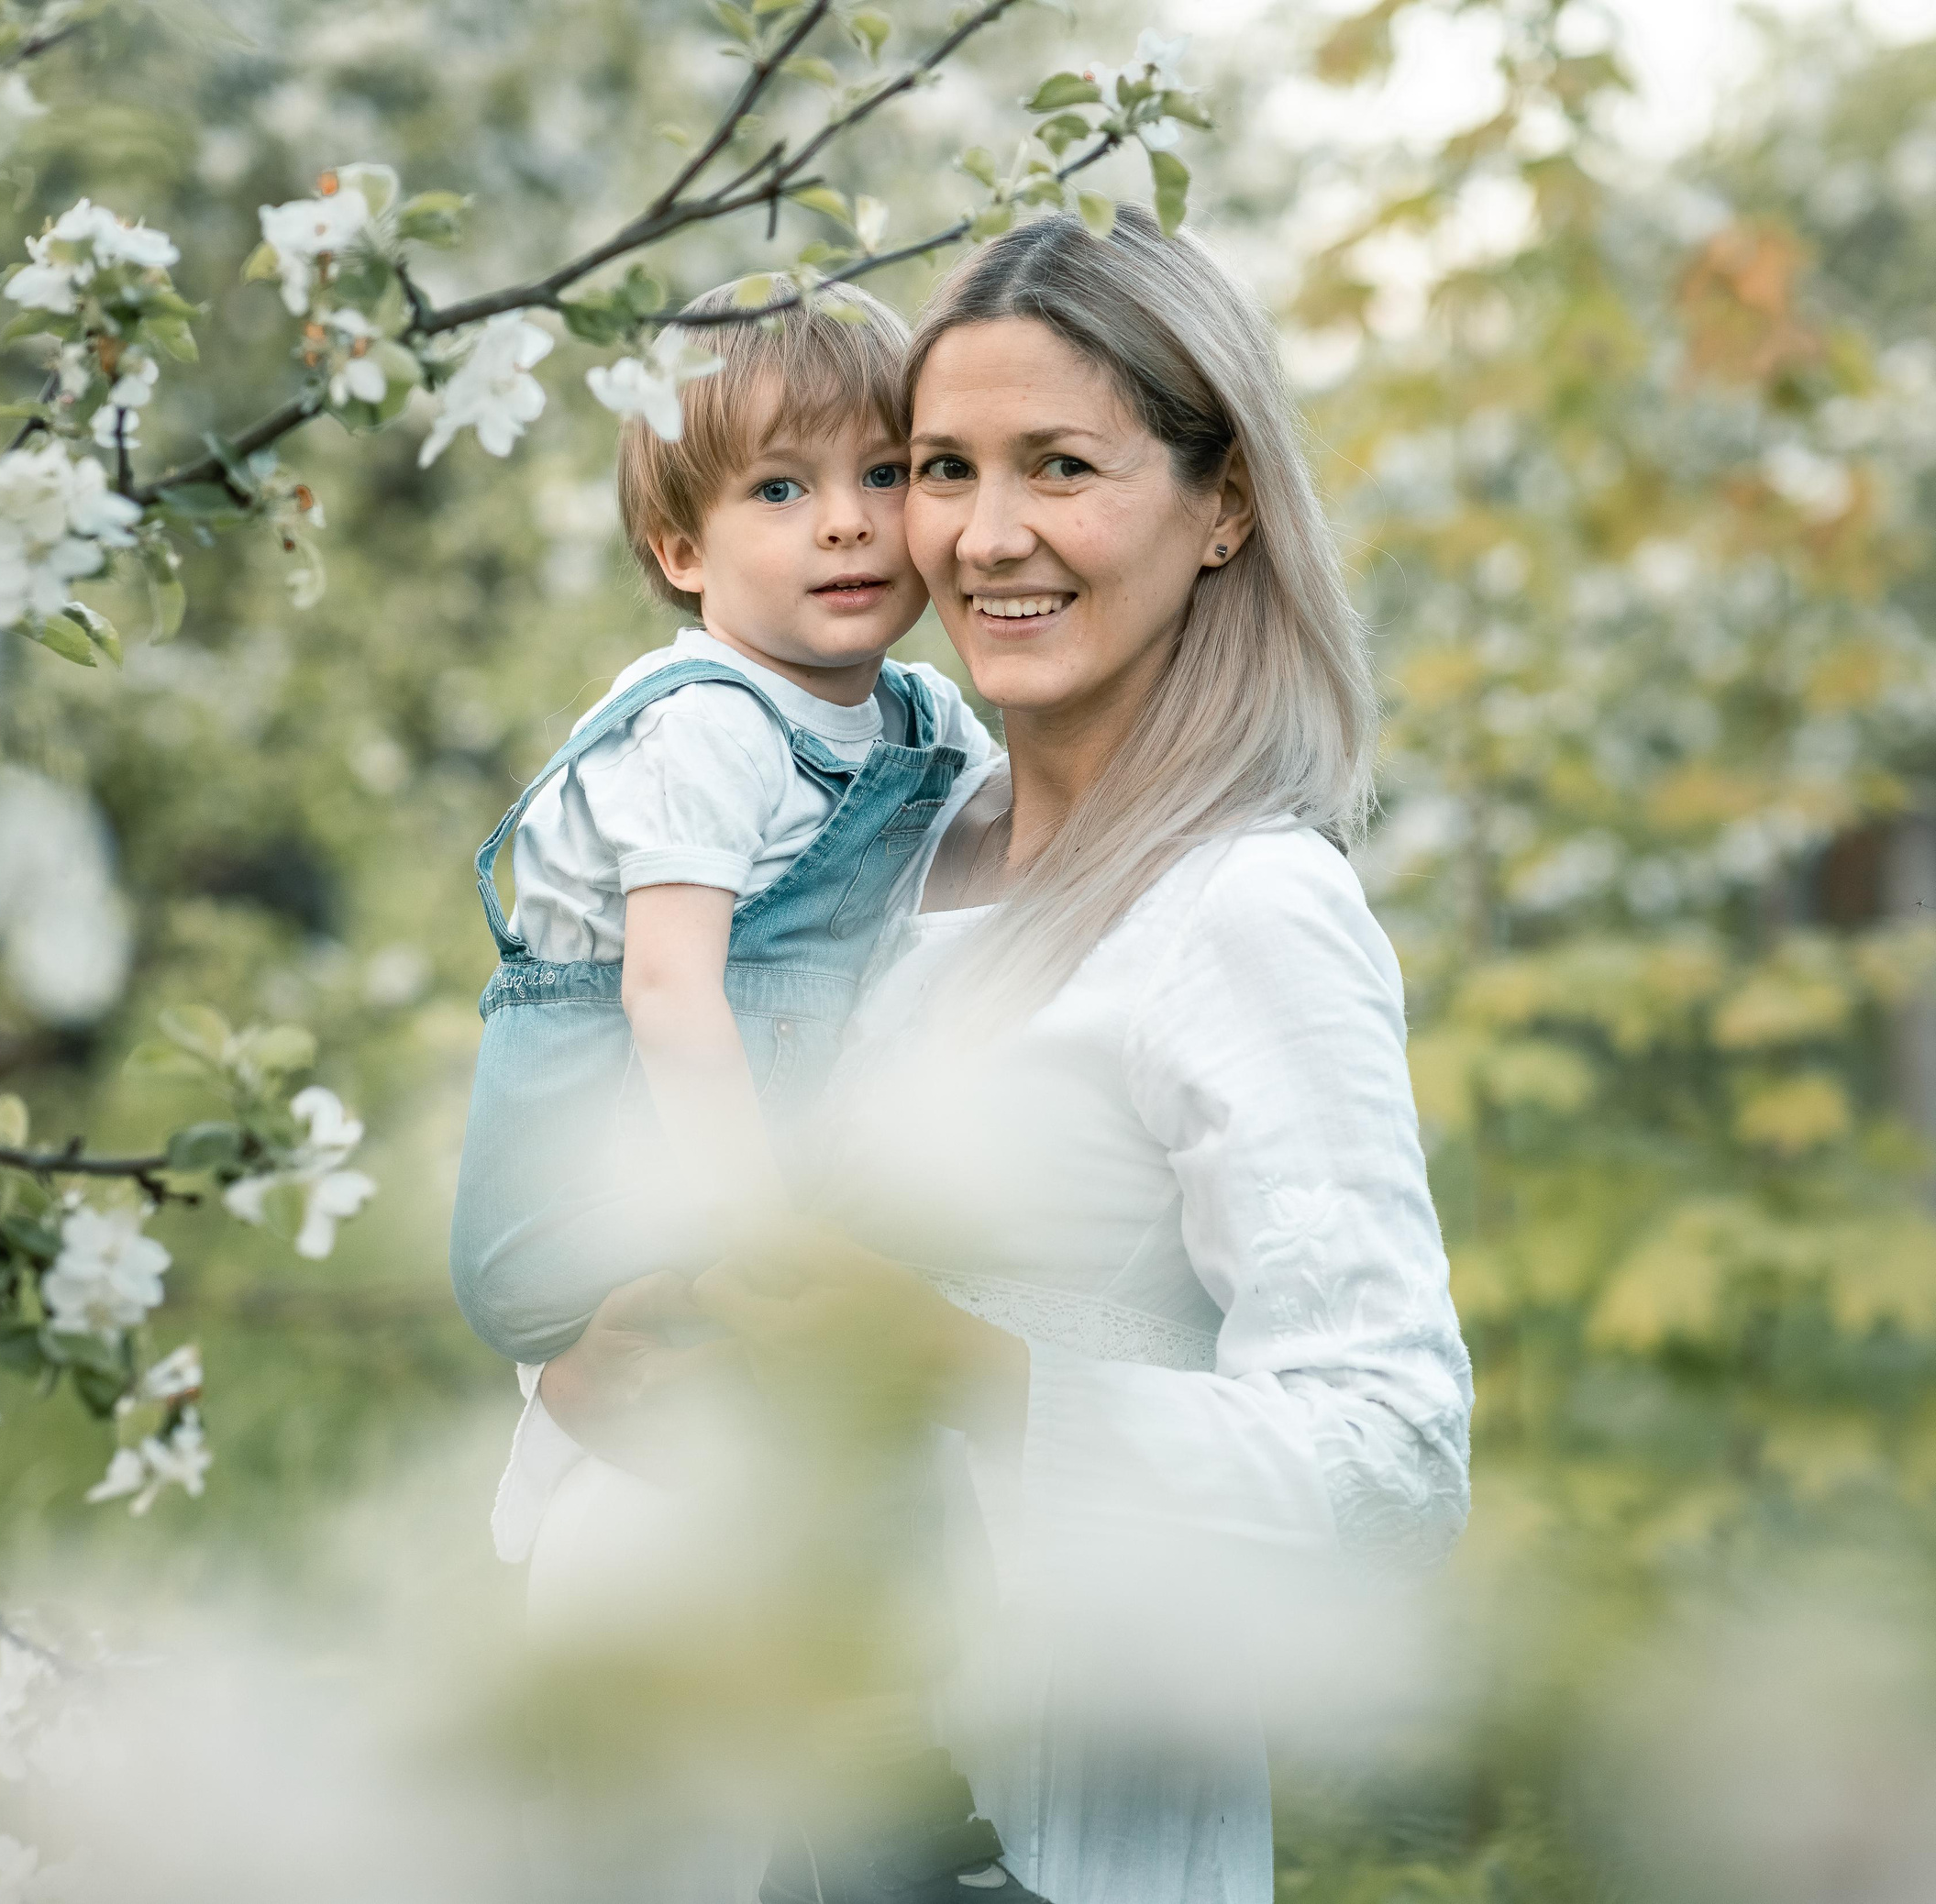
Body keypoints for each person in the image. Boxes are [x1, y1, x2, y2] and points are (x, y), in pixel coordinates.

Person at [538, 206, 1477, 1904]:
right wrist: (608, 1368)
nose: (981, 536)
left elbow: (1397, 1468)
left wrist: (973, 1371)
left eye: (1059, 465)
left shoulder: (1244, 906)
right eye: (935, 467)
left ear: (1225, 504)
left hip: (1052, 1817)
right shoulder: (883, 853)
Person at [448, 276, 1032, 1900]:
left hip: (716, 1115)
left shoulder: (917, 716)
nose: (846, 527)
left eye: (881, 476)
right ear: (683, 551)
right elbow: (669, 990)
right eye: (781, 489)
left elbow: (1027, 845)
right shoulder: (704, 723)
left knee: (839, 1438)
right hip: (597, 1141)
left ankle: (868, 1767)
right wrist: (747, 1224)